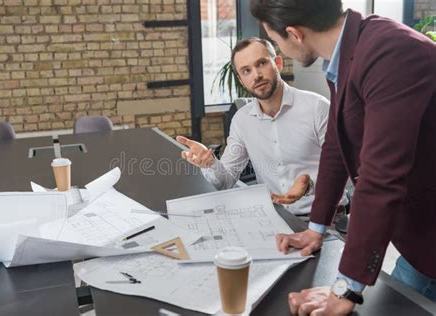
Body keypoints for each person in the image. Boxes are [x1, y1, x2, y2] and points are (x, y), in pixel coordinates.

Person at [250, 0, 436, 314]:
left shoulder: (391, 53)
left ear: (294, 34)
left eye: (275, 42)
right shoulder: (348, 52)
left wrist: (344, 289)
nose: (279, 52)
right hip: (421, 240)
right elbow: (337, 145)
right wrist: (316, 228)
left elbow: (379, 180)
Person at [177, 37, 346, 215]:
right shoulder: (242, 120)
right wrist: (211, 164)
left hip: (327, 219)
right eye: (246, 70)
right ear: (241, 80)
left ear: (278, 63)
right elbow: (225, 181)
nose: (256, 75)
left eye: (262, 63)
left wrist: (308, 186)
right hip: (277, 219)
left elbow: (346, 171)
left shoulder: (317, 107)